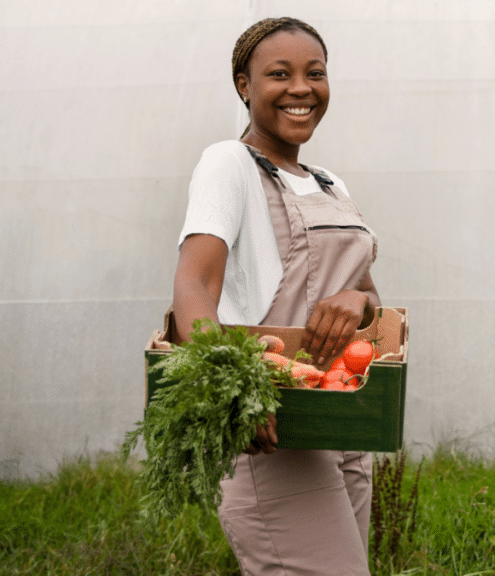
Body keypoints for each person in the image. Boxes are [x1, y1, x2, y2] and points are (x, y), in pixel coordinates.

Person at [171, 17, 378, 576]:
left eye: (315, 73)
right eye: (279, 74)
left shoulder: (331, 182)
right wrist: (235, 391)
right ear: (244, 85)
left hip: (340, 421)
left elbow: (371, 303)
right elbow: (194, 285)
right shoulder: (228, 165)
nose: (301, 88)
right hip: (274, 430)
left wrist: (355, 302)